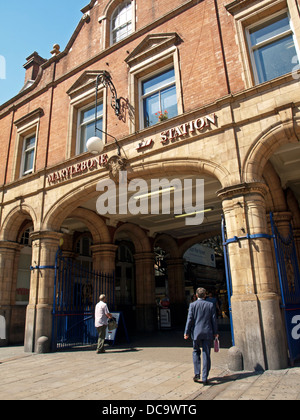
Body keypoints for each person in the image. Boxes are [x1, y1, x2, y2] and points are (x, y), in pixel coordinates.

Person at [184, 287, 219, 384]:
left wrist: (186, 332)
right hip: (208, 332)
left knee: (195, 351)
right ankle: (204, 377)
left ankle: (197, 374)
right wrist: (215, 332)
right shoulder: (210, 305)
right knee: (206, 353)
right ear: (205, 295)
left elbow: (189, 319)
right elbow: (214, 320)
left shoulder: (192, 305)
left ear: (196, 295)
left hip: (196, 333)